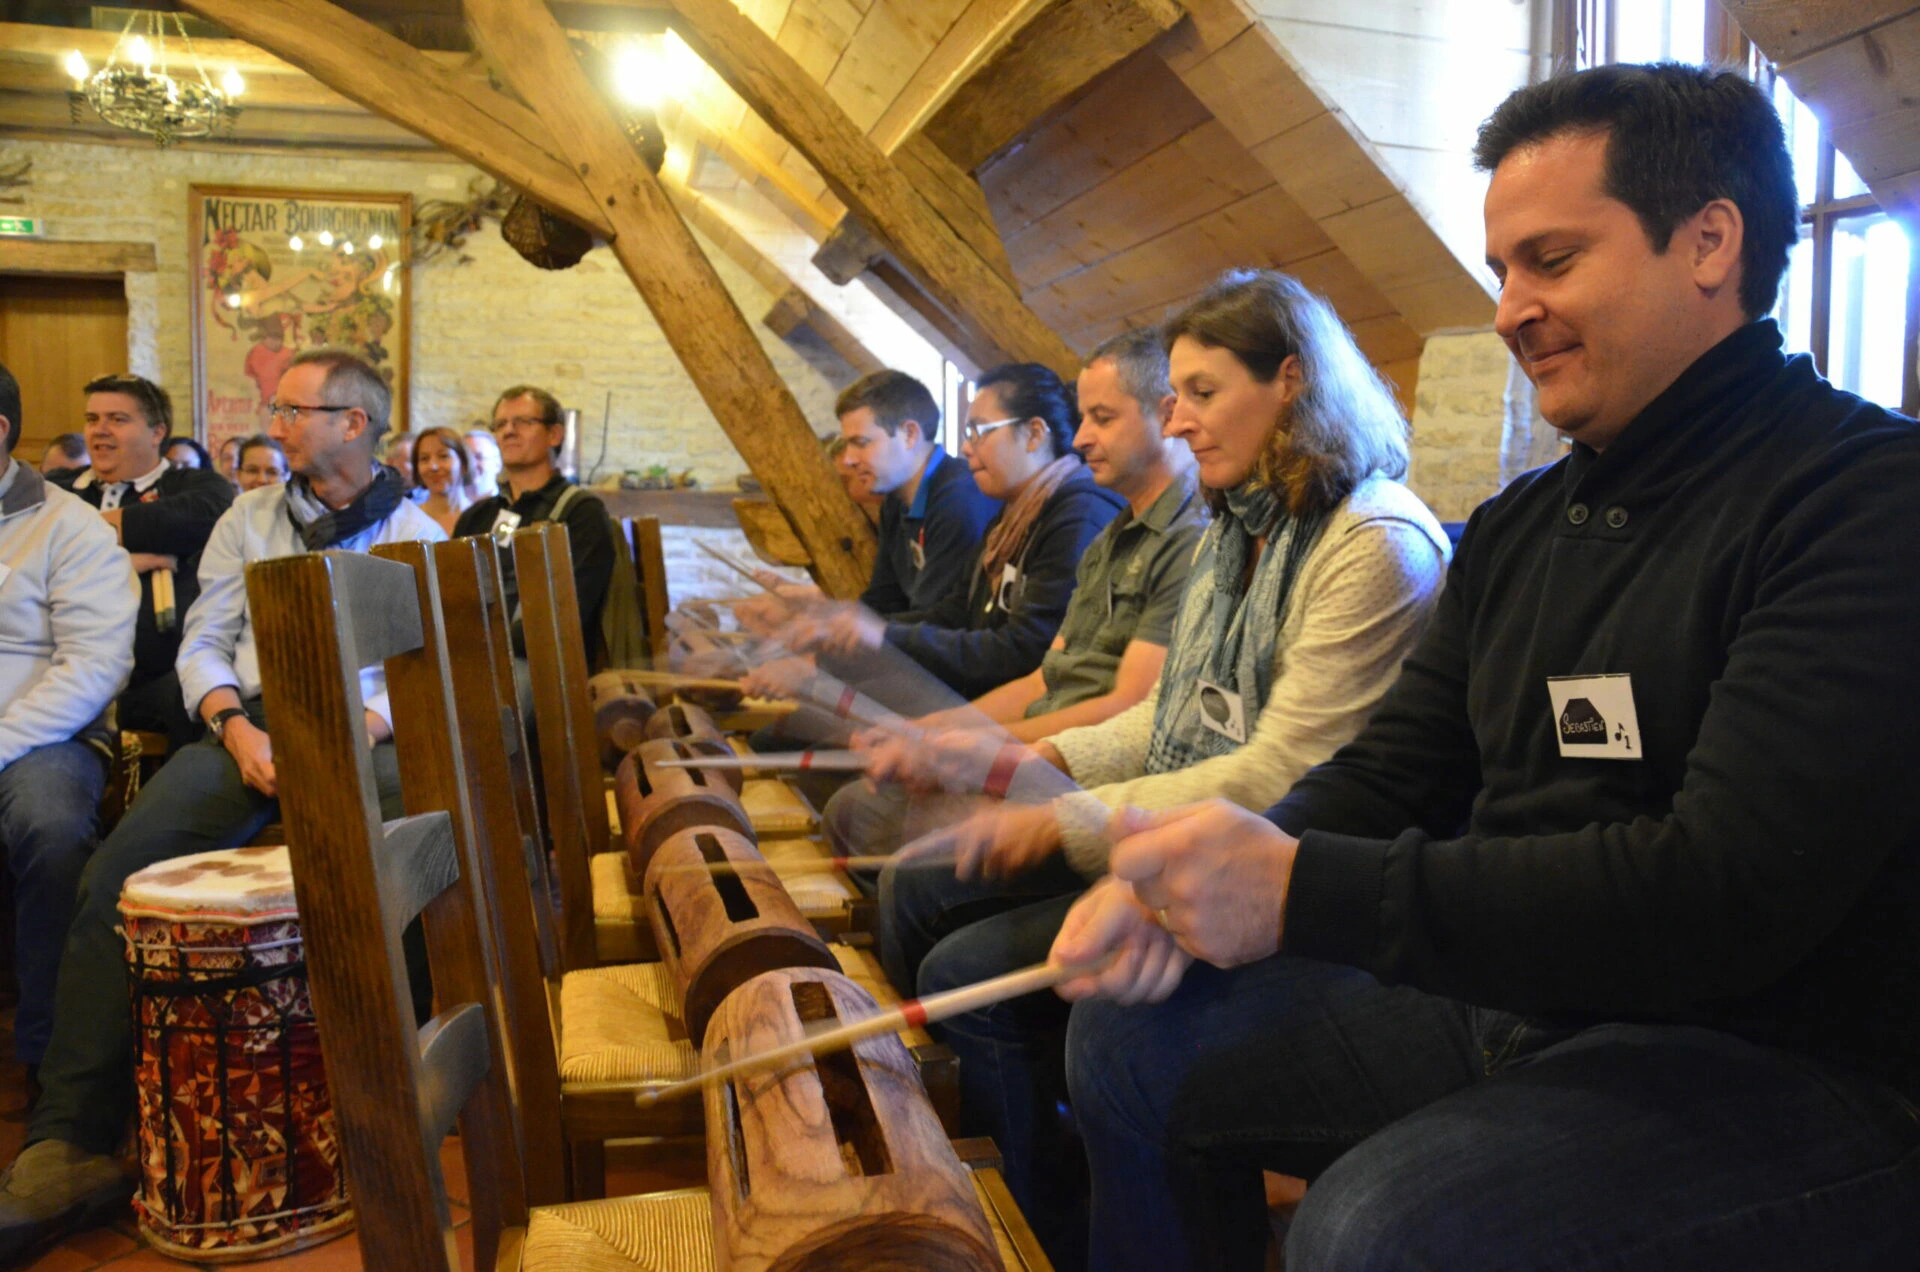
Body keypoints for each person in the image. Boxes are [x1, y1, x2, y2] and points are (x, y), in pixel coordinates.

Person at [1050, 64, 1920, 1272]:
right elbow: (1395, 770)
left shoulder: (1861, 496)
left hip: (1781, 1052)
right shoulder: (1519, 526)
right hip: (1524, 994)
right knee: (1132, 1040)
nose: (1511, 310)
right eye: (1503, 270)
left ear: (1709, 242)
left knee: (1375, 1230)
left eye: (1551, 261)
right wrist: (1209, 868)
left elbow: (1721, 893)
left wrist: (1298, 888)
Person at [873, 276, 1448, 1266]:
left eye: (1201, 394)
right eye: (1175, 396)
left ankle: (1054, 1233)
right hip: (1188, 836)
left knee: (1008, 988)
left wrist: (1066, 817)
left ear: (1294, 383)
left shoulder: (1374, 543)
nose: (1176, 421)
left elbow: (1291, 771)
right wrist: (1041, 759)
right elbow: (1170, 716)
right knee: (925, 888)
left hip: (1301, 881)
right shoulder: (1237, 528)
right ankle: (1028, 1215)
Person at [0, 349, 445, 1260]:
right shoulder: (249, 517)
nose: (273, 425)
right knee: (118, 878)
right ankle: (72, 1138)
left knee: (409, 864)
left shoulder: (416, 531)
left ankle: (392, 1101)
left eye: (291, 411)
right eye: (275, 409)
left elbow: (424, 664)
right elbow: (204, 639)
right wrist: (233, 725)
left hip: (371, 731)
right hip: (255, 725)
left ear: (352, 424)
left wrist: (366, 722)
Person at [820, 329, 1210, 858]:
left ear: (1165, 416)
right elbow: (1042, 675)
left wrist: (975, 747)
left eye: (1102, 418)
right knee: (853, 793)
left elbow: (1126, 704)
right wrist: (929, 732)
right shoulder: (1107, 533)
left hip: (1083, 766)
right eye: (1084, 417)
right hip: (1043, 736)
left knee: (866, 819)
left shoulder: (1117, 519)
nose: (1080, 438)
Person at [786, 364, 1125, 701]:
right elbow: (956, 612)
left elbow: (1027, 651)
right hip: (983, 697)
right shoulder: (1011, 516)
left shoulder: (1079, 515)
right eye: (966, 433)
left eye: (979, 431)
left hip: (1026, 710)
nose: (965, 448)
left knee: (825, 712)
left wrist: (879, 636)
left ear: (1034, 434)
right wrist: (846, 626)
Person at [0, 361, 136, 1104]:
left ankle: (49, 1057)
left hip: (46, 733)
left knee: (50, 828)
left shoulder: (67, 525)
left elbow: (93, 665)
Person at [64, 376, 234, 750]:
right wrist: (120, 561)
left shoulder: (197, 487)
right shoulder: (58, 490)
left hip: (150, 682)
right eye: (92, 419)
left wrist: (77, 542)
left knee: (195, 693)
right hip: (63, 676)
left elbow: (204, 514)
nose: (100, 430)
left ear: (157, 432)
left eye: (117, 419)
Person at [453, 386, 615, 666]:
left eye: (523, 422)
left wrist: (485, 644)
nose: (508, 431)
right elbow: (451, 596)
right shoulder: (477, 517)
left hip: (544, 665)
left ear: (554, 434)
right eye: (500, 424)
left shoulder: (581, 512)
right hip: (474, 658)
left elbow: (568, 613)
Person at [839, 369, 1000, 616]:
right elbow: (884, 599)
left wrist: (842, 628)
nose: (848, 459)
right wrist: (829, 621)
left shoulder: (958, 501)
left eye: (861, 443)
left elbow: (940, 620)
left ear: (909, 434)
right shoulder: (895, 501)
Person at [412, 425, 474, 534]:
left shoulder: (481, 518)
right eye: (424, 459)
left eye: (443, 456)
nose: (433, 466)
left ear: (463, 463)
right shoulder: (409, 521)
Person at [463, 427, 502, 499]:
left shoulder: (512, 503)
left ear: (497, 464)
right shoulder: (448, 503)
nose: (471, 464)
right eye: (465, 458)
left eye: (479, 457)